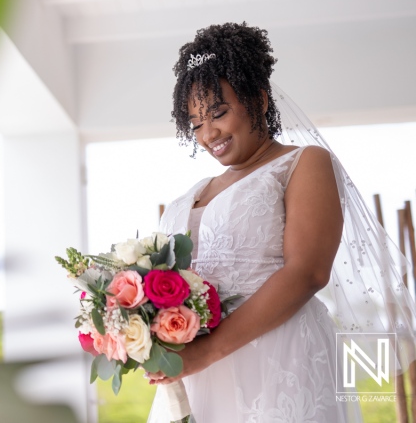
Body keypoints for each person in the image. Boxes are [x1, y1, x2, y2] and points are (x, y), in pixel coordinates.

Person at [145, 22, 415, 423]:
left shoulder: (303, 163)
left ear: (259, 98)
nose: (208, 134)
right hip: (199, 377)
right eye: (196, 123)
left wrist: (205, 353)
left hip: (280, 361)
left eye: (218, 113)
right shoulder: (193, 192)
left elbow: (308, 272)